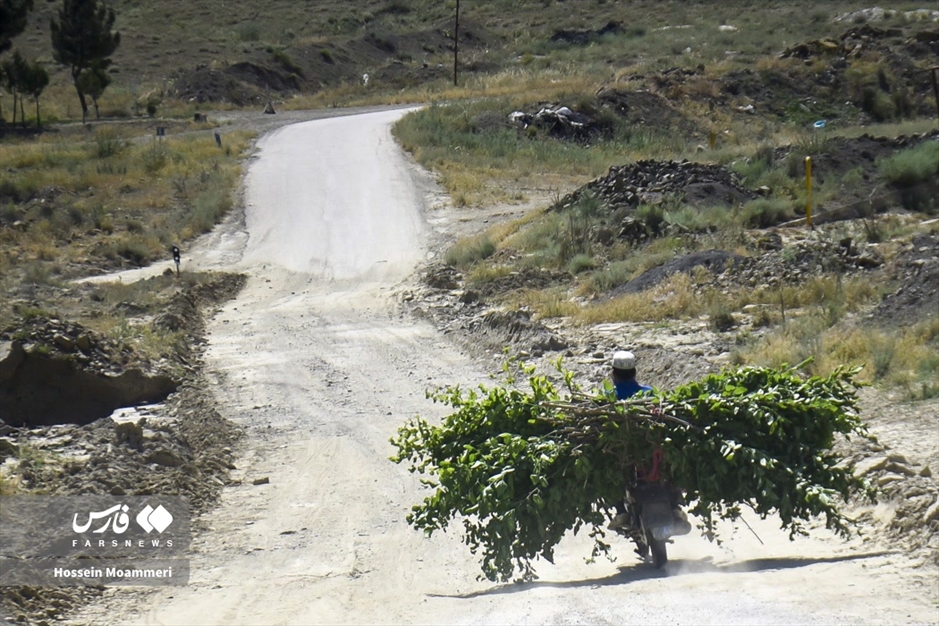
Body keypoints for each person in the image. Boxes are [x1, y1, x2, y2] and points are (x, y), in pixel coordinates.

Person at [607, 350, 652, 530]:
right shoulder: (648, 393)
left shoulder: (608, 397)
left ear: (613, 373)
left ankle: (620, 511)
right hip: (649, 447)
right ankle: (676, 505)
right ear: (634, 372)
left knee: (607, 473)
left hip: (619, 451)